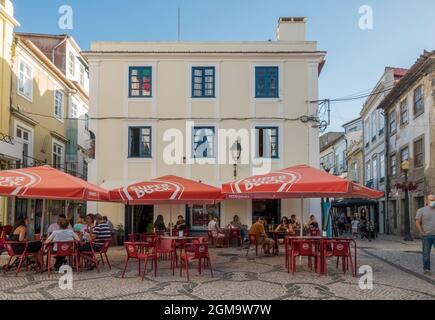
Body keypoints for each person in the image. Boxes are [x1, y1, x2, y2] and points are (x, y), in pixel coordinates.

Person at [415, 194, 435, 275]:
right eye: (431, 200)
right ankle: (426, 268)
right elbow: (417, 222)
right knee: (426, 253)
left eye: (434, 200)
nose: (433, 201)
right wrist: (421, 232)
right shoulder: (421, 210)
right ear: (426, 201)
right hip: (427, 236)